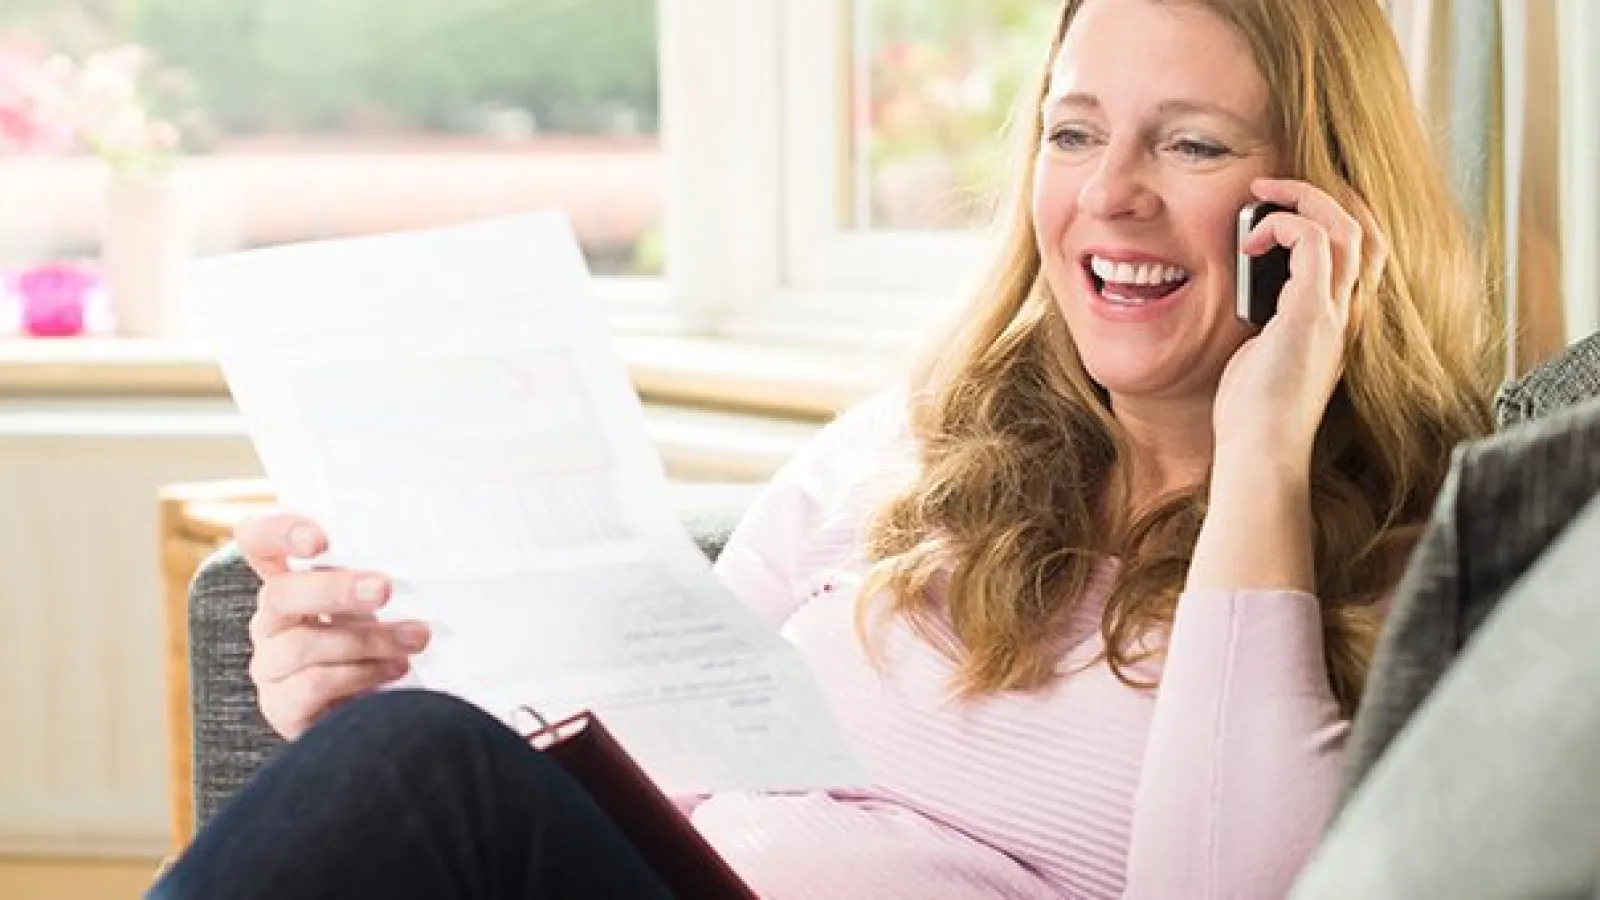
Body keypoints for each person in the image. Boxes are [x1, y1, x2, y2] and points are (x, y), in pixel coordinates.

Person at [150, 0, 1499, 897]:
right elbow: (630, 749)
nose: (1109, 196)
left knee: (417, 774)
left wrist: (1261, 451)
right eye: (1073, 131)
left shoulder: (1408, 556)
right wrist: (360, 690)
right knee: (414, 752)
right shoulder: (914, 450)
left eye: (1192, 145)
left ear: (1319, 208)